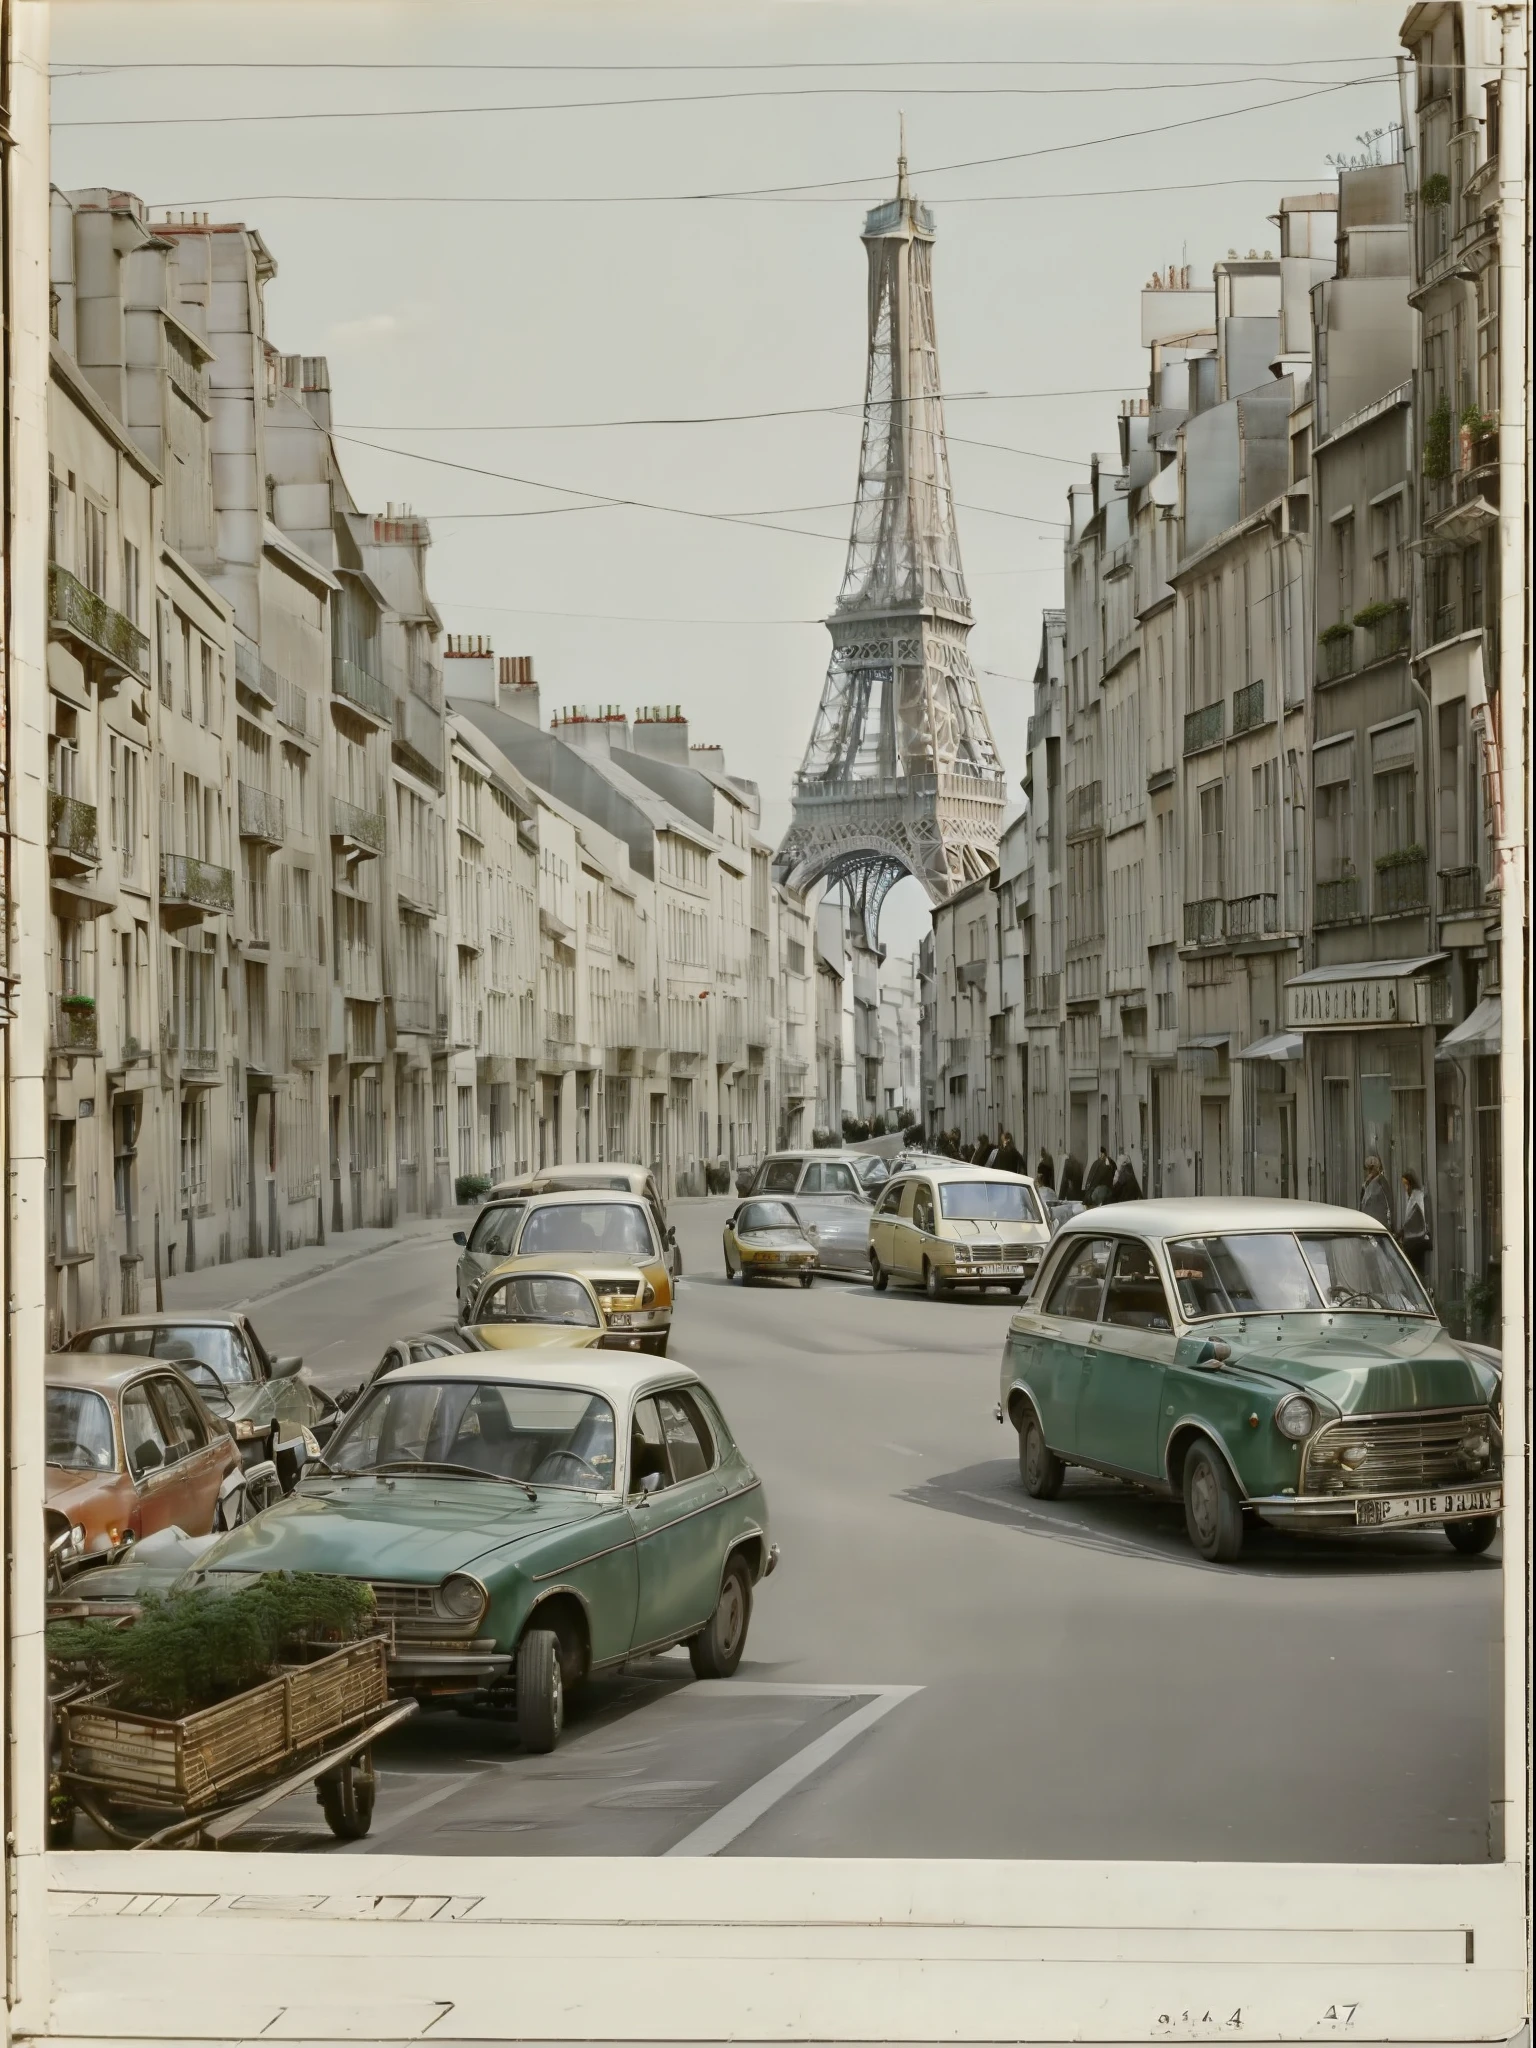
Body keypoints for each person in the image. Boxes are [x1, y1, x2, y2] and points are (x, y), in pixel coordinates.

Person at [1399, 1168, 1431, 1275]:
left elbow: (1412, 1218)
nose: (1405, 1188)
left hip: (1415, 1239)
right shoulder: (1414, 1196)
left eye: (1406, 1184)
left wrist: (1401, 1232)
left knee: (1415, 1269)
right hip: (1413, 1239)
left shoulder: (1416, 1197)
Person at [1358, 1153, 1393, 1229]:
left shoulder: (1382, 1181)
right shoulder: (1366, 1184)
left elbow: (1389, 1203)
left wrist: (1389, 1222)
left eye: (1372, 1168)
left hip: (1380, 1223)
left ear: (1377, 1168)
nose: (1370, 1171)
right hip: (1367, 1223)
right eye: (1368, 1169)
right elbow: (1362, 1203)